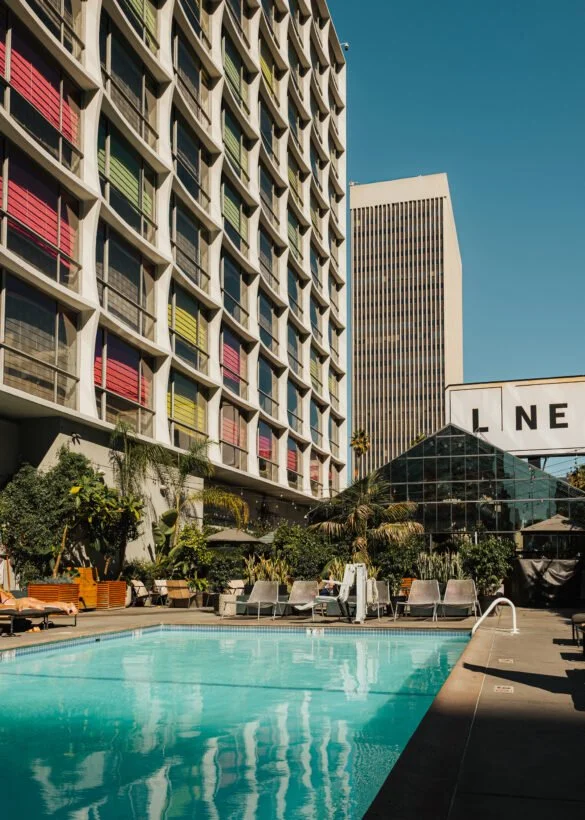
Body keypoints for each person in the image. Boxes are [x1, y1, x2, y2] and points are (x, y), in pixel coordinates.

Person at [0, 587, 78, 616]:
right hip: (23, 599)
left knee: (43, 606)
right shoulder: (3, 591)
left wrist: (14, 607)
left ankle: (66, 607)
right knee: (45, 604)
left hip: (20, 602)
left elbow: (3, 606)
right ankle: (68, 605)